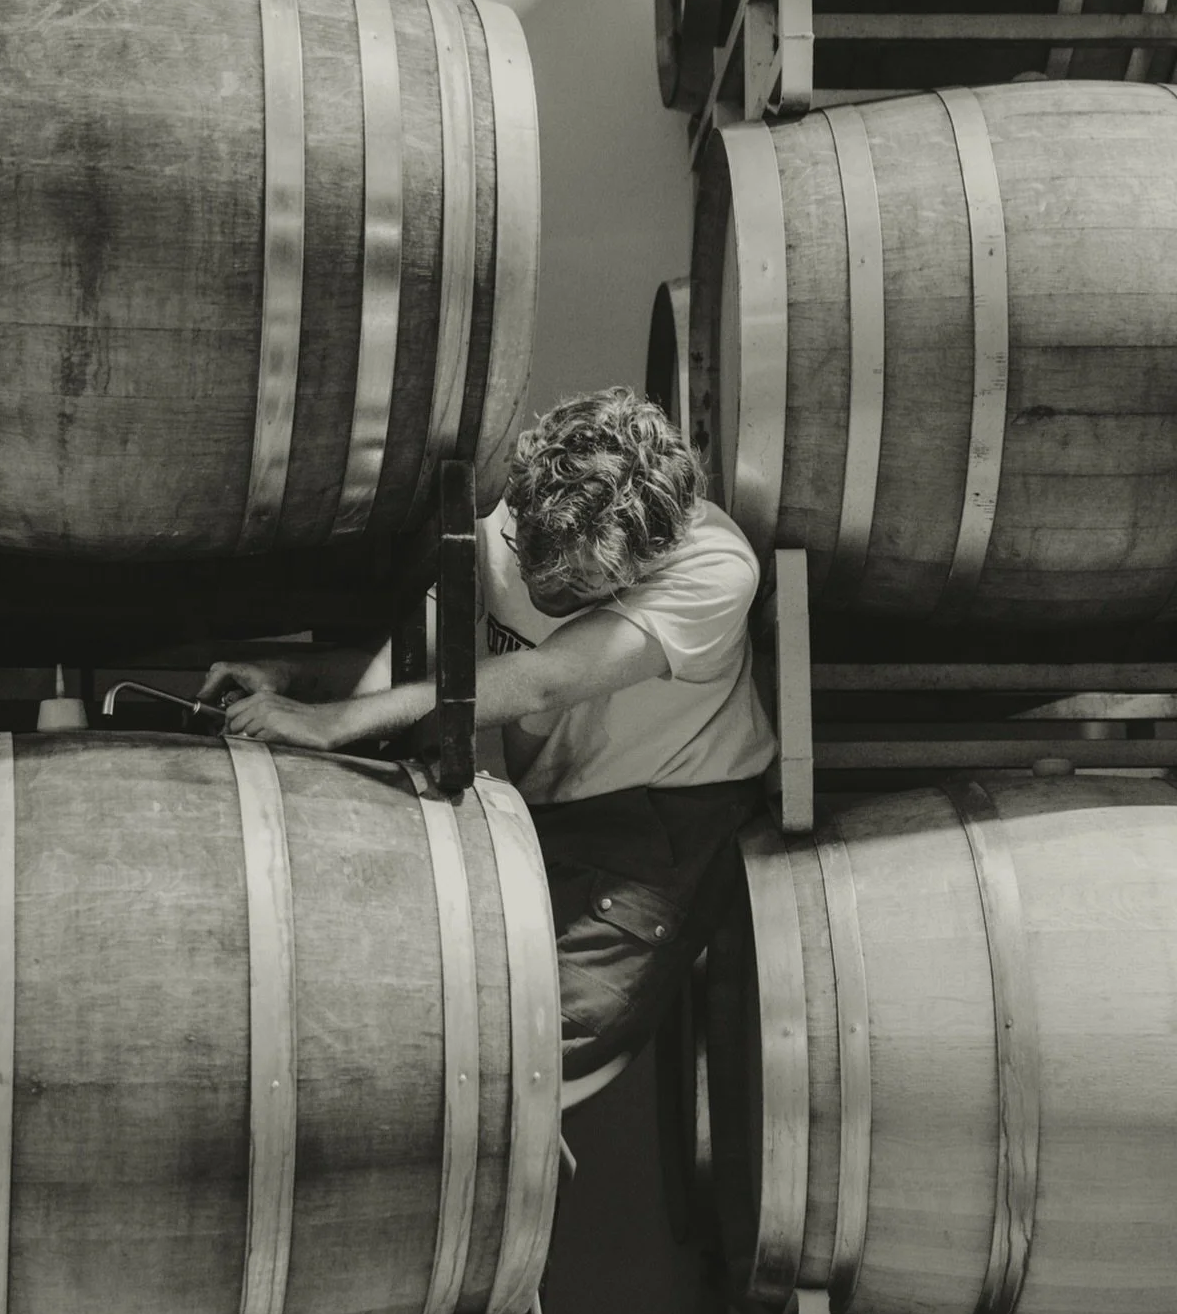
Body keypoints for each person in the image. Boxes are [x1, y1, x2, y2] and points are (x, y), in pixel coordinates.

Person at [200, 386, 776, 1081]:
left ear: (649, 559)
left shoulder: (714, 566)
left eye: (578, 588)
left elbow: (543, 680)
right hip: (539, 817)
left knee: (518, 1069)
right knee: (425, 1038)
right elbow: (430, 670)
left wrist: (333, 723)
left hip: (660, 832)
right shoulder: (509, 509)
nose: (544, 593)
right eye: (533, 565)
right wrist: (294, 679)